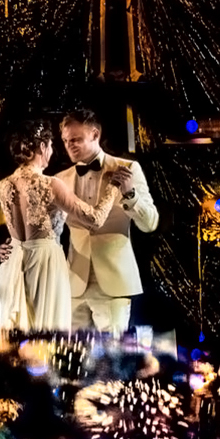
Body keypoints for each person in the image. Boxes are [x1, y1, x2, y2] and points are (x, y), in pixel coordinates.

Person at [0, 121, 119, 333]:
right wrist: (113, 188)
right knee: (47, 333)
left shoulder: (3, 185)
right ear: (42, 147)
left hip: (13, 260)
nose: (52, 150)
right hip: (45, 262)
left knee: (16, 335)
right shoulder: (50, 184)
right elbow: (96, 218)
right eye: (52, 145)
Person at [55, 109, 159, 334]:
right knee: (70, 351)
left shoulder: (127, 169)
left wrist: (130, 194)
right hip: (73, 282)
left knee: (113, 351)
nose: (69, 146)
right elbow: (46, 228)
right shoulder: (60, 179)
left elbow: (150, 223)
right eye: (65, 141)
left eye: (76, 139)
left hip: (114, 282)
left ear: (95, 134)